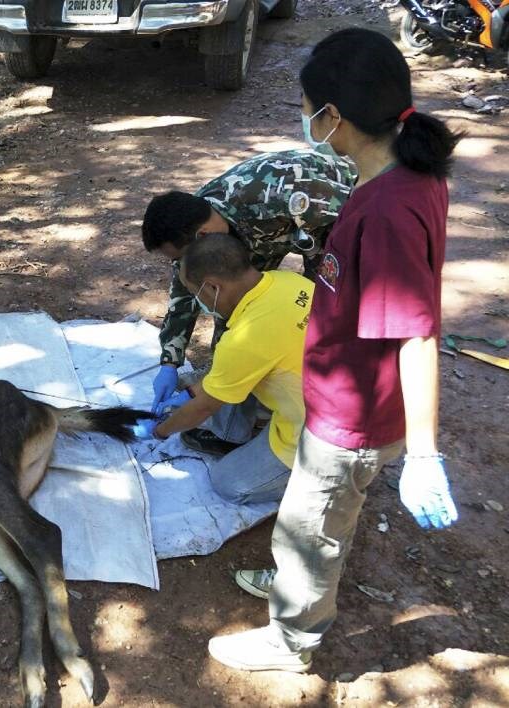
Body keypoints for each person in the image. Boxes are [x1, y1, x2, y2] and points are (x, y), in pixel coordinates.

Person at [207, 28, 462, 674]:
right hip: (342, 401)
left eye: (307, 106)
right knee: (316, 517)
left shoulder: (387, 210)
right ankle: (298, 582)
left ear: (335, 118)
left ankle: (291, 639)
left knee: (312, 521)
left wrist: (424, 453)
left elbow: (417, 333)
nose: (304, 118)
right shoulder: (402, 173)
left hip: (352, 420)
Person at [140, 148, 355, 454]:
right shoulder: (194, 224)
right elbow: (186, 293)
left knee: (322, 318)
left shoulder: (274, 197)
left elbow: (348, 226)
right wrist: (170, 361)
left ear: (202, 239)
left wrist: (322, 303)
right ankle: (232, 428)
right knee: (237, 335)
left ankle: (327, 414)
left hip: (333, 215)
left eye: (180, 258)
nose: (180, 264)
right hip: (289, 232)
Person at [132, 233, 312, 509]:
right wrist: (191, 391)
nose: (200, 303)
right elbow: (233, 371)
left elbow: (204, 408)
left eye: (196, 294)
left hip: (323, 432)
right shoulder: (290, 281)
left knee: (228, 483)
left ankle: (319, 480)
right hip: (330, 390)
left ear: (213, 288)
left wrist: (160, 431)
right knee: (227, 373)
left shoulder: (245, 339)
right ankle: (233, 435)